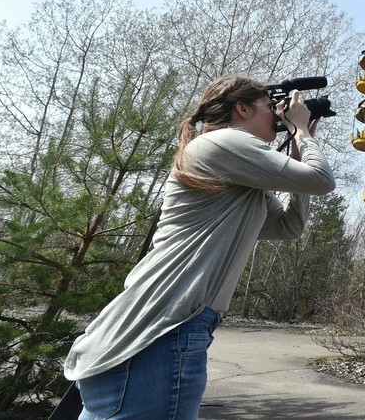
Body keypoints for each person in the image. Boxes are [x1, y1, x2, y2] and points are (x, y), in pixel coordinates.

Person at [62, 76, 336, 419]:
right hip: (163, 332)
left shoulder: (239, 174)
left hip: (153, 333)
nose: (279, 115)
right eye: (271, 107)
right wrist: (302, 133)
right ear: (242, 109)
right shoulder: (224, 142)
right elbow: (322, 180)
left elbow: (288, 226)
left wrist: (297, 147)